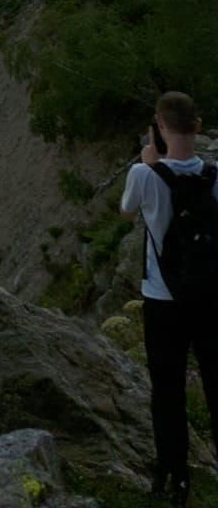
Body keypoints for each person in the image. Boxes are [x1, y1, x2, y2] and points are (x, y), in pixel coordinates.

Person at [121, 92, 218, 506]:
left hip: (162, 298)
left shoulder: (144, 175)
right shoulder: (215, 175)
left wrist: (148, 161)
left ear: (159, 126)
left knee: (167, 389)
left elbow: (128, 211)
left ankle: (176, 478)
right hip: (210, 297)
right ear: (197, 127)